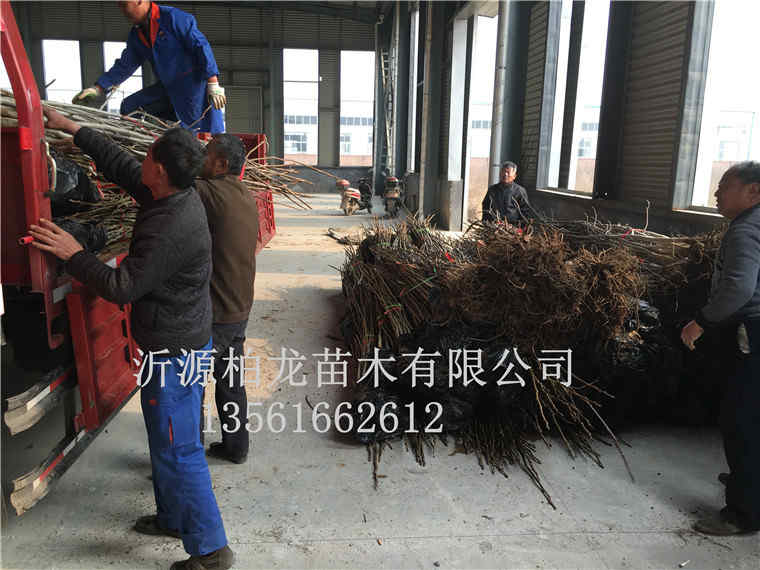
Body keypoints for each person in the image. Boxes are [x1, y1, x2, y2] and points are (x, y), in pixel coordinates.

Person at [30, 107, 234, 570]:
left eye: (148, 157)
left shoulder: (172, 225)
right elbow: (121, 164)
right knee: (164, 440)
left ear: (159, 170)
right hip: (173, 343)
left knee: (180, 449)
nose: (140, 161)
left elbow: (122, 287)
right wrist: (74, 129)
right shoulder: (167, 192)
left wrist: (75, 254)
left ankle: (211, 551)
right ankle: (173, 518)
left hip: (176, 355)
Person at [681, 161, 760, 536]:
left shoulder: (746, 230)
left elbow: (738, 288)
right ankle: (749, 480)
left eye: (726, 185)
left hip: (754, 331)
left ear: (754, 191)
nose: (716, 192)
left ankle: (743, 513)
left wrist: (701, 321)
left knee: (742, 420)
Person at [72, 0, 226, 134]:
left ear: (139, 1)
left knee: (194, 129)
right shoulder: (137, 35)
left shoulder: (173, 18)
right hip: (167, 88)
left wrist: (213, 82)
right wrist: (98, 88)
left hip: (192, 87)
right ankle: (150, 141)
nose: (122, 11)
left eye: (124, 5)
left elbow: (201, 46)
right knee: (130, 107)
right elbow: (125, 65)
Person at [197, 134, 259, 464]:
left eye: (206, 155)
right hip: (239, 309)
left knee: (190, 384)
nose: (201, 159)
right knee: (231, 382)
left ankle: (189, 454)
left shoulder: (209, 192)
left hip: (219, 314)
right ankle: (237, 448)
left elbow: (158, 185)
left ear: (221, 164)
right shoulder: (243, 192)